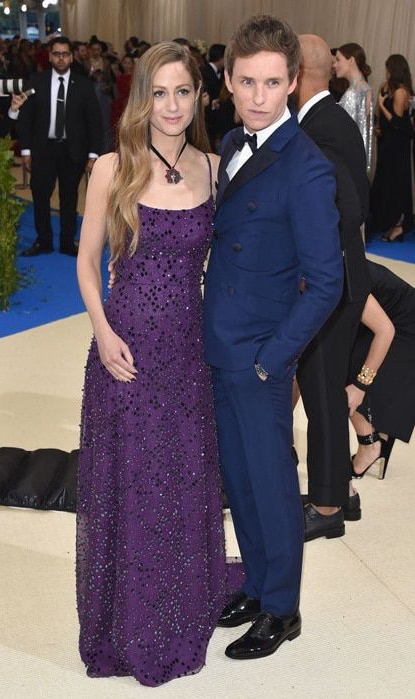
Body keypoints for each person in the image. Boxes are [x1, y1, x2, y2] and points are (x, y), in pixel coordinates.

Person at [76, 41, 242, 687]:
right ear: (142, 97)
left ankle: (175, 608)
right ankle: (127, 621)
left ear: (199, 95)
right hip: (125, 350)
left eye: (183, 92)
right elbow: (88, 261)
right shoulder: (113, 167)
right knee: (131, 481)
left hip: (187, 349)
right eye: (160, 93)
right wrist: (101, 327)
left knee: (178, 478)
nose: (171, 106)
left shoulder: (212, 165)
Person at [203, 15, 343, 660]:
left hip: (258, 357)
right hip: (219, 347)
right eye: (247, 81)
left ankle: (282, 608)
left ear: (293, 84)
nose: (259, 95)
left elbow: (326, 283)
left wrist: (273, 360)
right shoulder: (233, 141)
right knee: (241, 477)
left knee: (272, 483)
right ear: (229, 81)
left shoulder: (307, 168)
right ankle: (257, 585)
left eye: (273, 83)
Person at [294, 34, 370, 541]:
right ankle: (341, 490)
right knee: (323, 391)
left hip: (330, 281)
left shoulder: (322, 128)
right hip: (341, 275)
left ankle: (326, 507)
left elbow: (346, 210)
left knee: (321, 395)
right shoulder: (329, 120)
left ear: (296, 75)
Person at [17, 36, 102, 256]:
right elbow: (26, 117)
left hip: (72, 151)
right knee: (41, 196)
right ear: (49, 56)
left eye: (65, 54)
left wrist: (93, 155)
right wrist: (25, 150)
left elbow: (94, 122)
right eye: (56, 54)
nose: (61, 58)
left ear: (72, 57)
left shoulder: (84, 85)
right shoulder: (36, 81)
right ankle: (43, 241)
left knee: (69, 198)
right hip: (43, 149)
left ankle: (67, 242)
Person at [348, 260, 415, 478]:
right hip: (390, 312)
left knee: (342, 373)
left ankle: (371, 445)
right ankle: (379, 438)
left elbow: (386, 330)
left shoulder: (340, 277)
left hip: (405, 322)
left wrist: (360, 385)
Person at [370, 55, 414, 242]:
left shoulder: (401, 92)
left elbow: (397, 121)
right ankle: (387, 222)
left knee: (396, 183)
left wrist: (380, 104)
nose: (385, 71)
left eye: (388, 68)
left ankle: (399, 224)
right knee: (385, 182)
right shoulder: (388, 88)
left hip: (397, 147)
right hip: (387, 144)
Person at [334, 43, 373, 171]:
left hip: (348, 164)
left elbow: (344, 133)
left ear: (351, 61)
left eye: (338, 60)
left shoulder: (353, 93)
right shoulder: (364, 88)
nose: (334, 65)